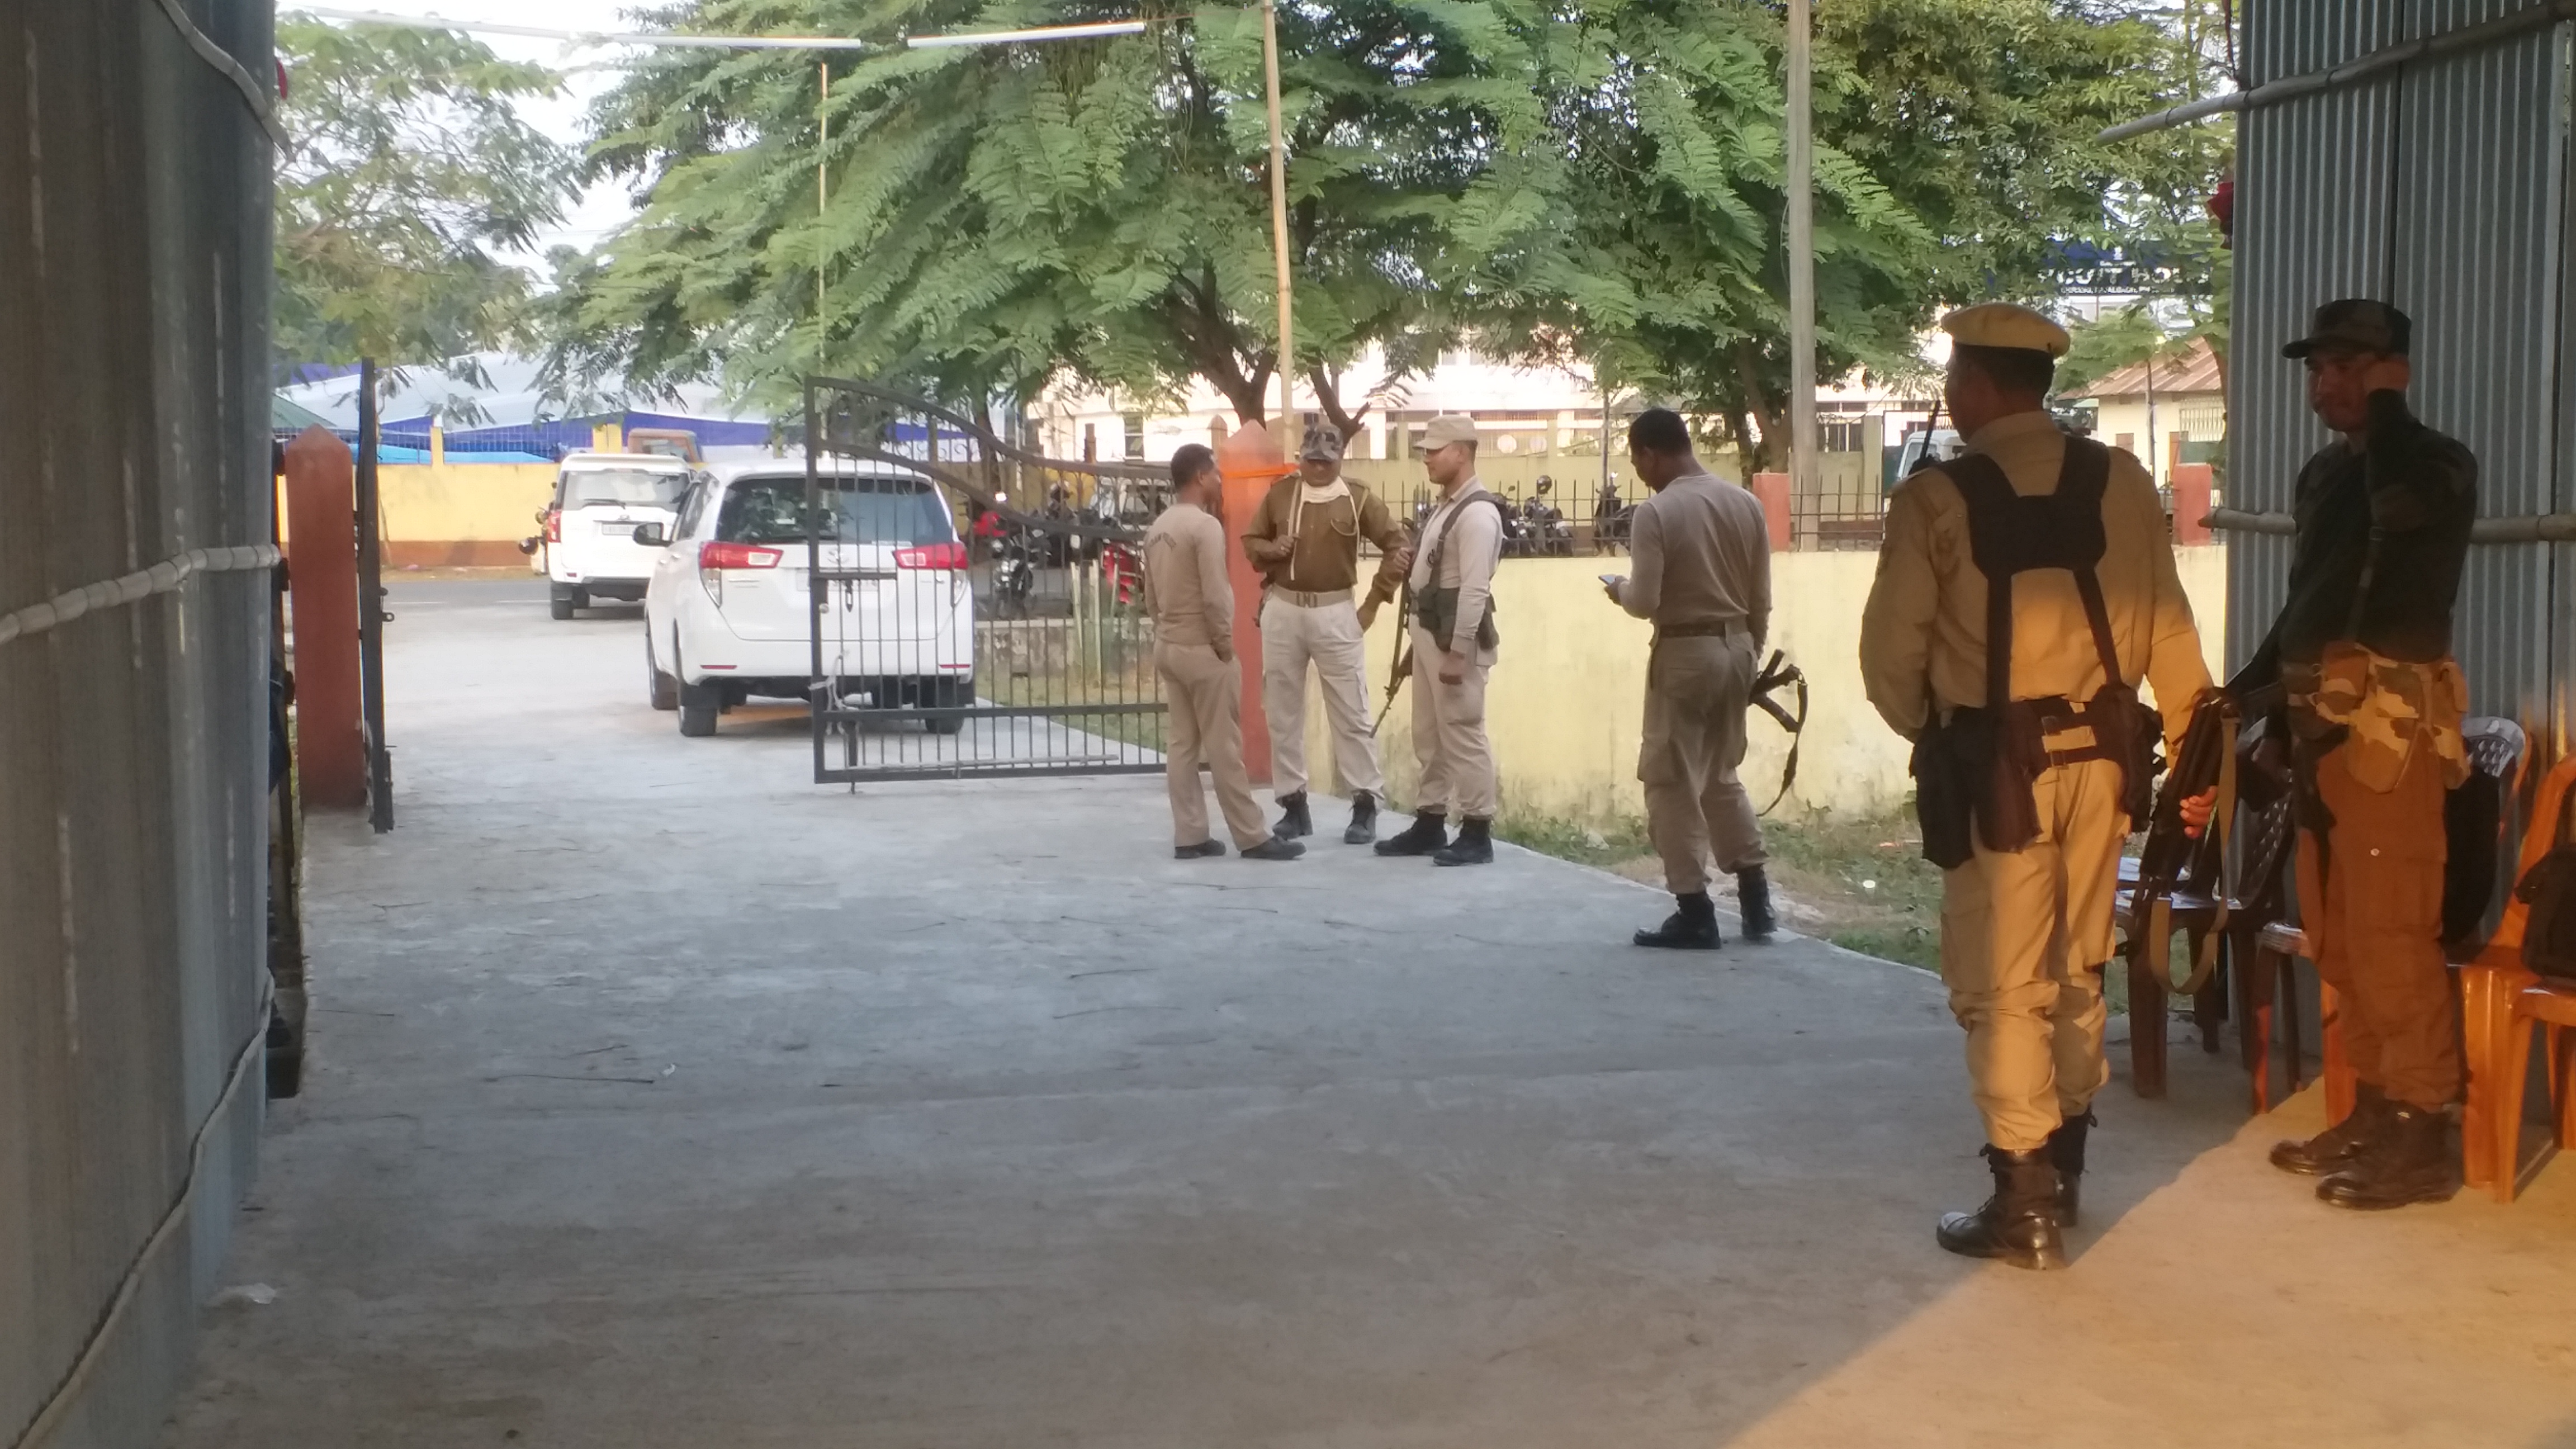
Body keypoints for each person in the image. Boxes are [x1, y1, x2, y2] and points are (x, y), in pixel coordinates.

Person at [1859, 302, 2212, 1271]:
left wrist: (1944, 734)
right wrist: (2191, 749)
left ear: (1973, 385)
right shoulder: (2124, 481)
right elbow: (2169, 629)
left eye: (1952, 375)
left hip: (1997, 771)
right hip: (2104, 762)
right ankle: (2064, 1170)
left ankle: (2023, 1205)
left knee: (2003, 982)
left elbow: (1891, 662)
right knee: (2076, 964)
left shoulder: (1934, 499)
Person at [2229, 300, 2476, 1211]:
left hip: (2386, 733)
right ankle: (2375, 1107)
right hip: (2317, 728)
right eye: (2318, 367)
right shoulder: (2321, 476)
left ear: (2390, 372)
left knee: (2388, 929)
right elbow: (2307, 602)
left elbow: (2398, 508)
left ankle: (2422, 1131)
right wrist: (2247, 691)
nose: (2325, 382)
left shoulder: (2432, 461)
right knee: (2338, 932)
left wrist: (2389, 416)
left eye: (2347, 366)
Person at [1604, 409, 1778, 948]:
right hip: (1738, 648)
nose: (1639, 471)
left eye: (1638, 460)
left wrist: (1618, 589)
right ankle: (1756, 899)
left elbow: (1646, 601)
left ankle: (1694, 909)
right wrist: (1747, 655)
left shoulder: (1656, 512)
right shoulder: (1745, 503)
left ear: (1651, 453)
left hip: (1683, 652)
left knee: (1669, 780)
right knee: (1720, 773)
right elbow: (1760, 601)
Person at [1239, 424, 1411, 844]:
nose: (1317, 467)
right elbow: (1250, 542)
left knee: (1351, 710)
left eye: (1325, 461)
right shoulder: (1281, 494)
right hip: (1284, 608)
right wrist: (1271, 549)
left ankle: (1365, 804)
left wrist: (1372, 603)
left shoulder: (1358, 497)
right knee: (1282, 710)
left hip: (1336, 611)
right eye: (1310, 459)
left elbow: (1399, 547)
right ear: (1300, 457)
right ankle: (1294, 806)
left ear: (1339, 460)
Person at [1140, 446, 1304, 863]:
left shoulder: (1158, 527)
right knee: (1224, 746)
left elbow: (1151, 598)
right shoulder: (1205, 526)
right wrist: (1224, 648)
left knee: (1181, 745)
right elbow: (1216, 596)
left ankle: (1190, 835)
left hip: (1169, 646)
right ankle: (1252, 836)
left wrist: (1167, 629)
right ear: (1199, 477)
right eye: (1215, 473)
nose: (1220, 480)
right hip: (1203, 647)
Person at [1377, 415, 1506, 866]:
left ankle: (1477, 829)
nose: (1427, 458)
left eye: (1435, 450)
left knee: (1464, 733)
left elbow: (1474, 589)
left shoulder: (1478, 513)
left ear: (1462, 452)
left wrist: (1458, 652)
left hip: (1453, 640)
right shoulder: (1449, 506)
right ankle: (1431, 821)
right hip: (1432, 633)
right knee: (1430, 735)